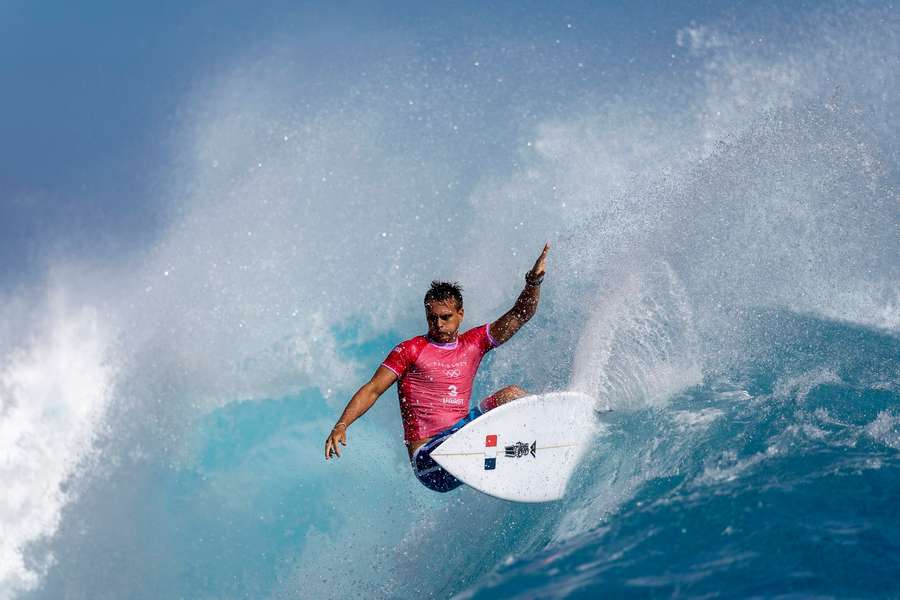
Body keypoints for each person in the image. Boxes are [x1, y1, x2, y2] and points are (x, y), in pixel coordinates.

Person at [324, 243, 550, 492]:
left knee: (512, 396)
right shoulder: (410, 350)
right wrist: (342, 424)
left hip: (464, 439)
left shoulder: (474, 343)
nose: (438, 324)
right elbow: (373, 389)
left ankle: (546, 443)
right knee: (467, 440)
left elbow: (520, 314)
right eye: (432, 318)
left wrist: (534, 282)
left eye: (446, 317)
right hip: (430, 460)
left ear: (460, 314)